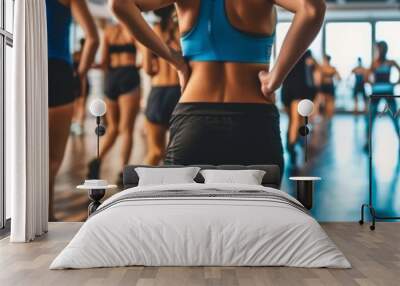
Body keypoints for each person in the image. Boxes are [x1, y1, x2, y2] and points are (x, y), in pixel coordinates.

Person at [109, 0, 326, 176]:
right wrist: (275, 78)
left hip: (194, 120)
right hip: (254, 119)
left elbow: (119, 4)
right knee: (258, 220)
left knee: (191, 225)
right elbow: (312, 9)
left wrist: (173, 60)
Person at [47, 0, 98, 221]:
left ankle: (36, 214)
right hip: (57, 71)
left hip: (23, 68)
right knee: (52, 159)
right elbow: (93, 39)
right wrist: (80, 73)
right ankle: (46, 216)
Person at [87, 23, 142, 183]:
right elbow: (145, 55)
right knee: (126, 130)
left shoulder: (108, 31)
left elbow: (104, 61)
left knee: (113, 129)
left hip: (111, 78)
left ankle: (97, 160)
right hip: (129, 75)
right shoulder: (132, 28)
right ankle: (123, 172)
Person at [143, 6, 181, 165]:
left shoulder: (153, 30)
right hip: (179, 92)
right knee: (177, 155)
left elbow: (147, 68)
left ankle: (141, 189)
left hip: (158, 93)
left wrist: (158, 67)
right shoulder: (183, 29)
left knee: (155, 152)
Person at [281, 50, 317, 165]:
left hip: (286, 90)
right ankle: (291, 149)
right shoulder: (306, 53)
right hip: (298, 91)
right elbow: (312, 69)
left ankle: (291, 142)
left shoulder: (287, 54)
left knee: (292, 120)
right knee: (296, 121)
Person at [366, 41, 400, 149]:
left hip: (387, 92)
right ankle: (368, 142)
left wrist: (395, 83)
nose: (379, 51)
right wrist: (371, 83)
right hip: (377, 92)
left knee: (394, 116)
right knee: (371, 117)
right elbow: (367, 76)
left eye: (380, 48)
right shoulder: (374, 63)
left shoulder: (390, 62)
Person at [71, 38, 91, 136]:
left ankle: (76, 125)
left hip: (74, 80)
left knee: (76, 104)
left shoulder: (75, 54)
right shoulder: (87, 55)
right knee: (82, 104)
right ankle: (79, 126)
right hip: (82, 80)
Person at [318, 55, 340, 119]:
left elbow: (318, 79)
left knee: (326, 103)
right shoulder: (332, 68)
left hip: (325, 86)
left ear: (325, 60)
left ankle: (327, 118)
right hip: (329, 86)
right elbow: (339, 78)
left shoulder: (322, 68)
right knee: (327, 103)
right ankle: (328, 118)